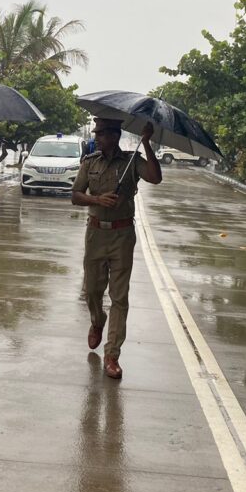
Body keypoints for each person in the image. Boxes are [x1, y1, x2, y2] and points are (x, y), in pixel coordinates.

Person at [71, 117, 162, 379]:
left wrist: (146, 143)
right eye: (96, 132)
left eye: (101, 133)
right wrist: (97, 199)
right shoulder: (90, 163)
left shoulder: (131, 162)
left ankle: (112, 355)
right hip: (96, 233)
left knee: (120, 297)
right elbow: (76, 196)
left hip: (122, 234)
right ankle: (97, 320)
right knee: (92, 290)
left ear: (115, 135)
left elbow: (155, 177)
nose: (97, 137)